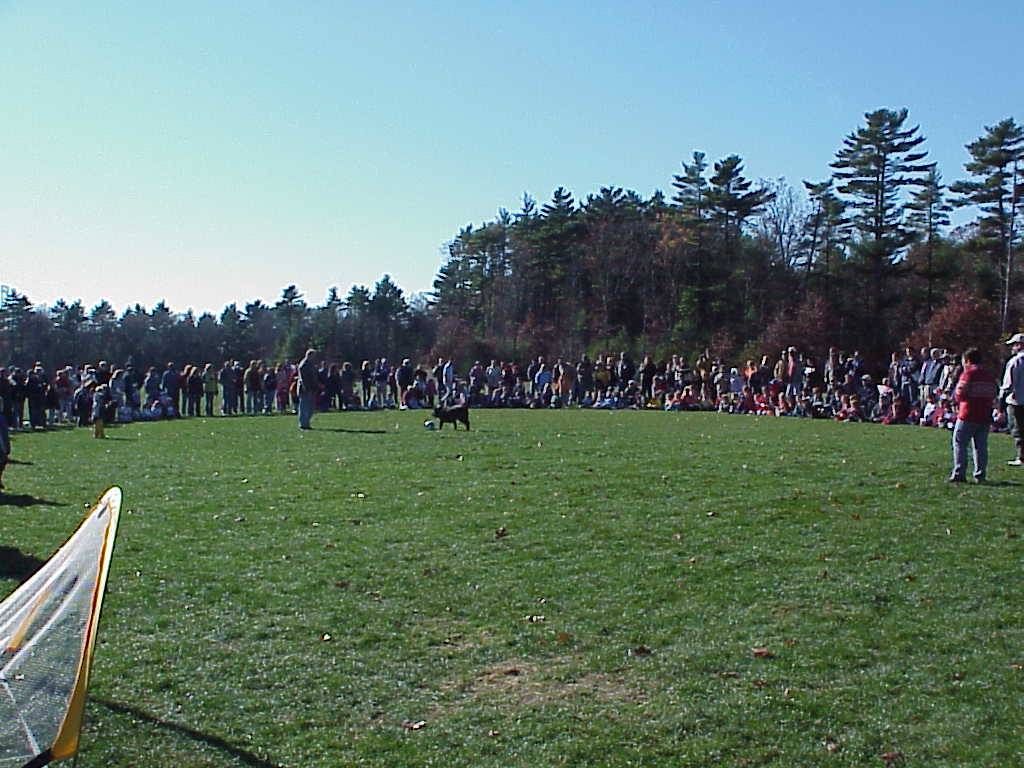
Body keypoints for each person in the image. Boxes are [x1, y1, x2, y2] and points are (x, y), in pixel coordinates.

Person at [949, 347, 998, 483]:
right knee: (980, 446)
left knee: (959, 443)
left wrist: (955, 398)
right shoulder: (989, 375)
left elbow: (960, 393)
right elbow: (994, 393)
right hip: (985, 414)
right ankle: (980, 474)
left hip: (968, 414)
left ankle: (959, 473)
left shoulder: (968, 374)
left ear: (967, 360)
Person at [999, 332, 1024, 466]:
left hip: (1016, 401)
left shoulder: (1015, 361)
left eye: (1013, 345)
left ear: (1019, 345)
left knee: (1017, 429)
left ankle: (1021, 457)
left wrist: (1000, 402)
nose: (1012, 348)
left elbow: (1008, 385)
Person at [296, 348, 319, 430]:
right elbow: (303, 379)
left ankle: (306, 422)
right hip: (305, 389)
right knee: (304, 407)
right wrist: (306, 388)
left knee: (311, 407)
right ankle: (303, 424)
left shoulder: (311, 364)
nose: (315, 358)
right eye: (314, 356)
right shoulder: (304, 365)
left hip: (311, 388)